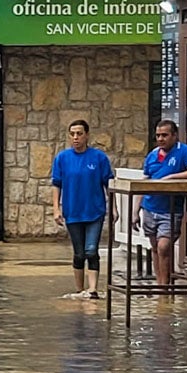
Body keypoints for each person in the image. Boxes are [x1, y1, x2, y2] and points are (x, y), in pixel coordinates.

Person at [133, 120, 187, 286]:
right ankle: (161, 285)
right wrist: (135, 211)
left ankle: (165, 286)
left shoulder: (183, 151)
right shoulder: (152, 155)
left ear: (174, 136)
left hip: (170, 210)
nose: (160, 139)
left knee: (164, 246)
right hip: (150, 207)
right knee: (155, 248)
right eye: (158, 135)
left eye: (164, 135)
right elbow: (144, 183)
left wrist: (172, 177)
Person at [51, 119, 114, 299]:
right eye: (72, 134)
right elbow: (57, 184)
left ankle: (93, 289)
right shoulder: (62, 158)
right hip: (73, 211)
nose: (76, 137)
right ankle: (80, 289)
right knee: (79, 253)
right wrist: (56, 208)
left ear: (87, 135)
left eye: (79, 133)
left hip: (95, 210)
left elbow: (108, 184)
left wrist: (113, 208)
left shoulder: (99, 158)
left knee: (91, 250)